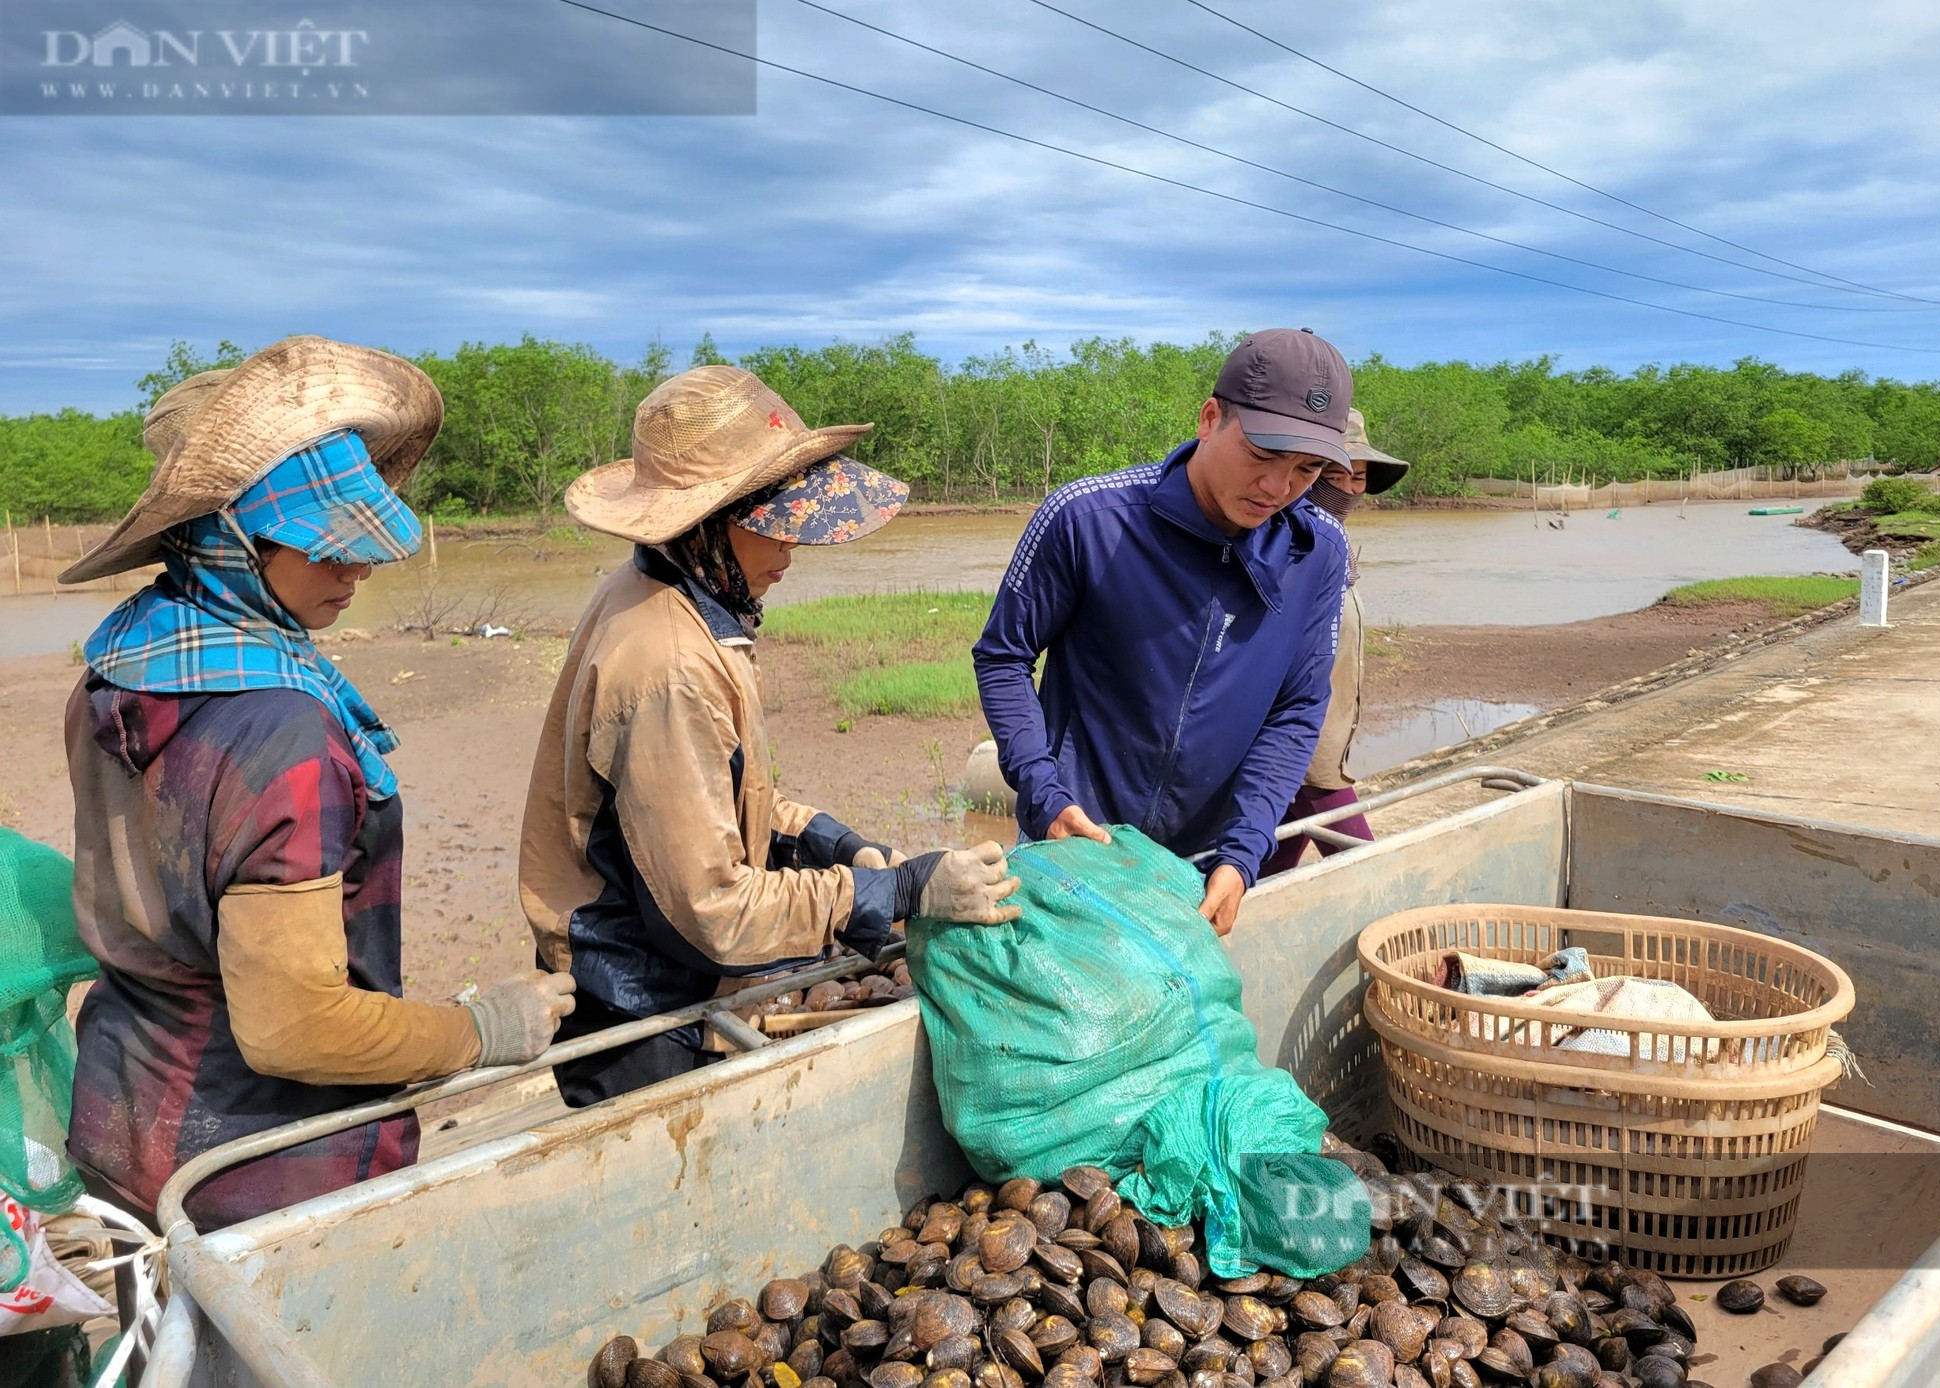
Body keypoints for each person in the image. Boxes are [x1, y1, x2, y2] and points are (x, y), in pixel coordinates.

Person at [58, 337, 576, 1233]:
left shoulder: (123, 662)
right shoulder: (282, 731)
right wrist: (480, 1031)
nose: (358, 569)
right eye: (323, 547)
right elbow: (293, 1027)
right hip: (261, 1171)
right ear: (229, 539)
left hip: (120, 1117)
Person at [519, 365, 1020, 1107]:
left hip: (655, 967)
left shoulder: (665, 594)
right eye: (773, 523)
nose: (792, 545)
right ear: (705, 524)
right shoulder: (670, 664)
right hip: (640, 1007)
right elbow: (713, 911)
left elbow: (720, 791)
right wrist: (898, 889)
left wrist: (827, 840)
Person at [973, 329, 1352, 935]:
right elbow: (1002, 656)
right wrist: (1043, 792)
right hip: (1075, 844)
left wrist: (1245, 848)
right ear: (1209, 419)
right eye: (1262, 455)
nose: (1278, 489)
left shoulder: (1319, 552)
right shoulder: (1088, 521)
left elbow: (1298, 707)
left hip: (1205, 866)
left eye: (1306, 469)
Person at [1260, 408, 1411, 876]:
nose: (1349, 489)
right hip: (1303, 748)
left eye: (1360, 477)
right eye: (1334, 475)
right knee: (1363, 867)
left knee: (1272, 863)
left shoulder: (1334, 545)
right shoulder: (1280, 545)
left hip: (1325, 738)